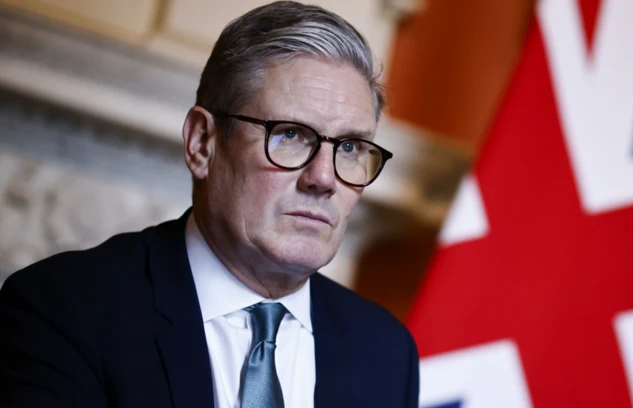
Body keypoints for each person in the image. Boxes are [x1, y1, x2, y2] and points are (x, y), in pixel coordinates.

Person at [0, 1, 419, 407]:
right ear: (202, 143)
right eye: (290, 135)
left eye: (349, 146)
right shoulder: (65, 309)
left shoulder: (385, 352)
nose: (324, 178)